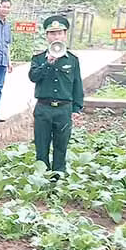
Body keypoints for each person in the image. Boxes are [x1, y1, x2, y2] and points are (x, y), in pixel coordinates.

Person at [28, 15, 84, 172]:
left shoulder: (72, 59)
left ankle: (58, 176)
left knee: (61, 146)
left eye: (59, 33)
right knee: (41, 145)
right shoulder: (39, 58)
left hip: (63, 109)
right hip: (43, 109)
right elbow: (33, 77)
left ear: (65, 35)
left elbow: (77, 84)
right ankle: (41, 176)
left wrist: (77, 108)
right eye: (52, 33)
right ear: (46, 36)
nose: (56, 37)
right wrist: (48, 63)